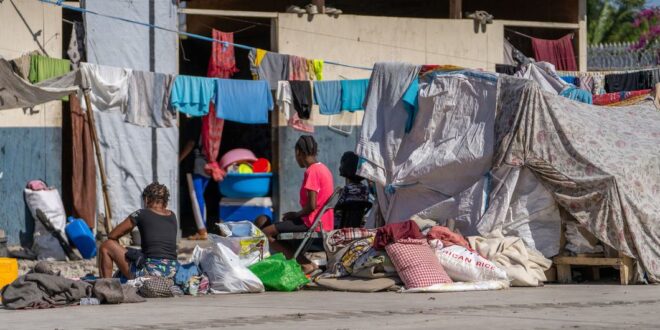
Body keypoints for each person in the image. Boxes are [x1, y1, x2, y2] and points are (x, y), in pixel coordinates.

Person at [260, 135, 334, 274]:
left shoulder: (312, 171)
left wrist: (296, 214)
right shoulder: (323, 168)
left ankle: (305, 264)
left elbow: (311, 206)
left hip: (312, 222)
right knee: (279, 227)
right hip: (320, 221)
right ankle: (306, 263)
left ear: (298, 152)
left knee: (266, 232)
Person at [98, 182, 178, 279]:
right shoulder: (172, 215)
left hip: (150, 272)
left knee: (107, 245)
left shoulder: (141, 213)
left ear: (146, 199)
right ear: (165, 202)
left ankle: (105, 285)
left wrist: (121, 247)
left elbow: (112, 235)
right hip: (172, 272)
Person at [179, 117, 210, 240]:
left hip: (194, 165)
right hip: (206, 163)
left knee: (196, 199)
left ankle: (202, 231)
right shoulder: (208, 122)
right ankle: (203, 228)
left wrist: (179, 159)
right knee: (201, 198)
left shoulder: (195, 121)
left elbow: (191, 143)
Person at [334, 151, 370, 228]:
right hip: (357, 226)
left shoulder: (347, 189)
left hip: (340, 227)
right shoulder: (365, 189)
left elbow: (337, 209)